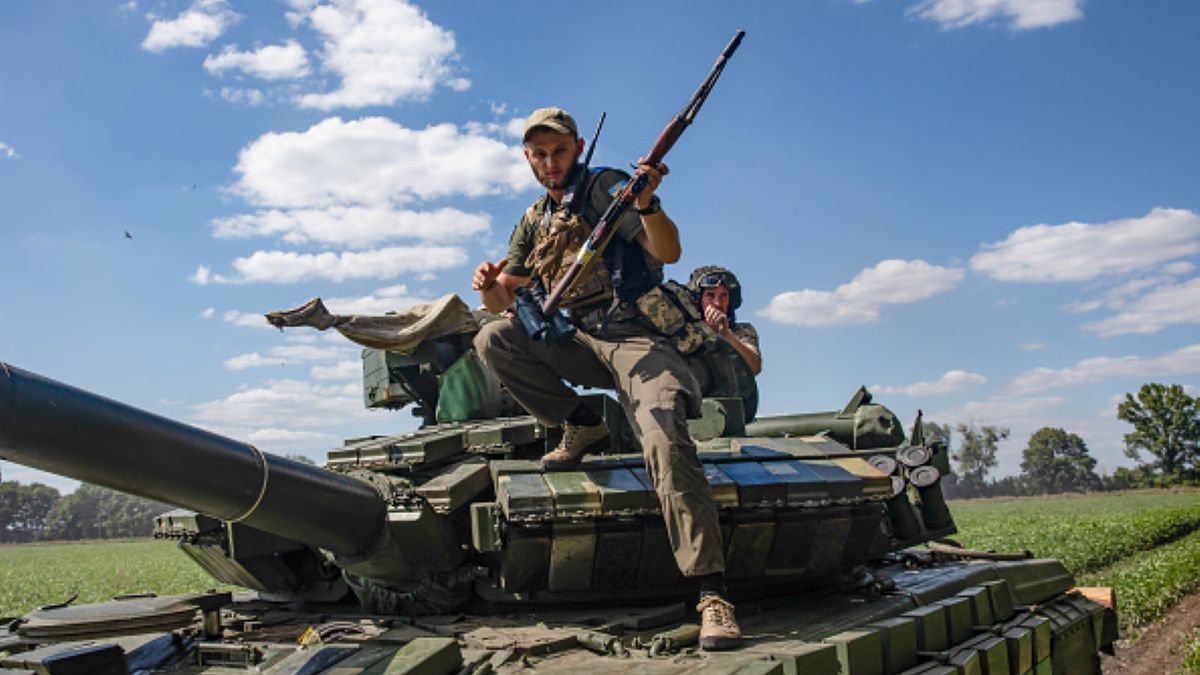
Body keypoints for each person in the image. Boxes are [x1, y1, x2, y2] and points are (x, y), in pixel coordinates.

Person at [471, 107, 741, 650]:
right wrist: (488, 287)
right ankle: (582, 424)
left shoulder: (606, 188)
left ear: (576, 148)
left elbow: (666, 250)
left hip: (634, 335)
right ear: (528, 158)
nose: (550, 163)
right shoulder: (533, 221)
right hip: (574, 339)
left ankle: (711, 593)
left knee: (663, 433)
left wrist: (648, 202)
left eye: (559, 151)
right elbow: (508, 300)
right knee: (490, 338)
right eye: (539, 154)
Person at [688, 266, 762, 376]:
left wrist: (726, 335)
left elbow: (754, 367)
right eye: (710, 295)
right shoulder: (683, 331)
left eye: (724, 296)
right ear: (698, 299)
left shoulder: (741, 331)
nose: (717, 303)